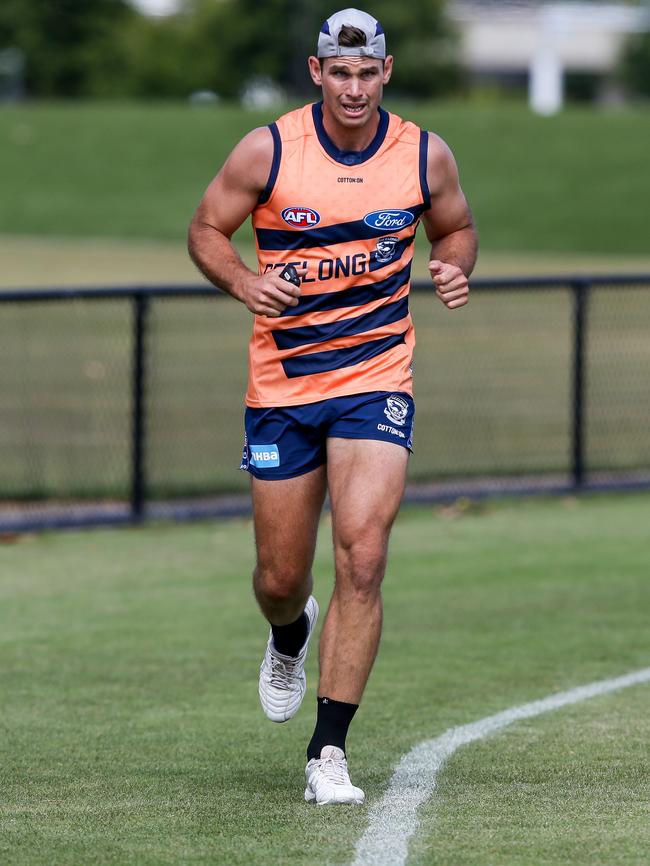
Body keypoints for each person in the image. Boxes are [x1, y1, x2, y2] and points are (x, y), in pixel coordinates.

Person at [188, 7, 478, 806]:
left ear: (387, 73)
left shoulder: (423, 154)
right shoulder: (270, 148)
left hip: (377, 378)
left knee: (363, 552)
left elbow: (455, 228)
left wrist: (454, 265)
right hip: (283, 388)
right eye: (339, 73)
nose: (354, 88)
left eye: (368, 73)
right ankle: (289, 633)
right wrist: (244, 280)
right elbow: (208, 227)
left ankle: (329, 754)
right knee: (280, 575)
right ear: (318, 73)